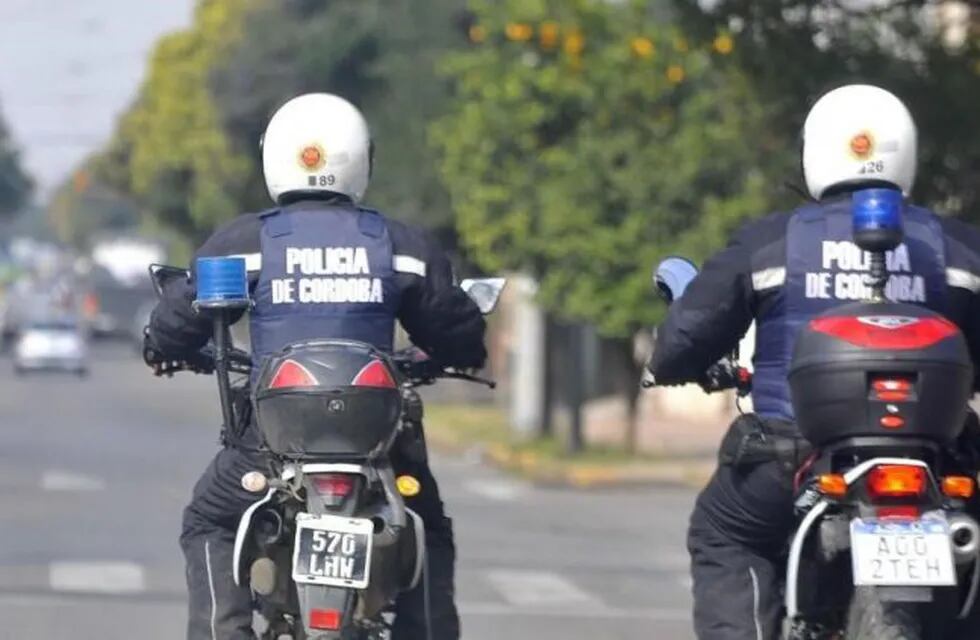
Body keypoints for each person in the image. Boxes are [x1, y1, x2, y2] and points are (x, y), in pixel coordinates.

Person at [144, 93, 486, 640]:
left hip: (269, 447)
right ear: (361, 160)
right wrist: (458, 355)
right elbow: (456, 330)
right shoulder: (400, 245)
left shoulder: (246, 243)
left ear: (272, 157)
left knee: (208, 520)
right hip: (379, 446)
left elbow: (179, 319)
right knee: (427, 526)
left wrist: (163, 348)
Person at [647, 84, 980, 639]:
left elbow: (687, 337)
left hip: (793, 455)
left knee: (725, 533)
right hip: (938, 464)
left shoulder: (771, 241)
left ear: (814, 152)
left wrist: (670, 364)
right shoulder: (960, 248)